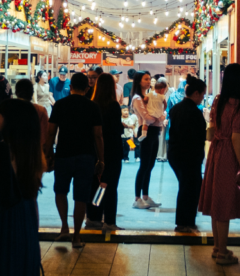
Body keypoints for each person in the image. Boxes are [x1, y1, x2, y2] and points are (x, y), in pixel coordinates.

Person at [0, 99, 43, 276]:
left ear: (9, 121)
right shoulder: (31, 154)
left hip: (0, 221)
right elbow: (34, 201)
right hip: (26, 221)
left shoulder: (0, 152)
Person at [44, 72, 103, 249]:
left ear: (70, 87)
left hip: (64, 154)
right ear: (87, 88)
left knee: (60, 191)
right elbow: (98, 135)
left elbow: (51, 132)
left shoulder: (60, 104)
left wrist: (48, 154)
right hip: (86, 155)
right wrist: (101, 159)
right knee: (81, 197)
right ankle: (76, 237)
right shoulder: (93, 107)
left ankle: (64, 227)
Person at [198, 63, 240, 266]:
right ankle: (222, 252)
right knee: (224, 203)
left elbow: (211, 131)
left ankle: (217, 247)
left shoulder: (218, 101)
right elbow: (236, 138)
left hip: (215, 151)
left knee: (216, 201)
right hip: (228, 154)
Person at [167, 75, 207, 233]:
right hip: (189, 156)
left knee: (185, 187)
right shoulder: (194, 112)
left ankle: (184, 221)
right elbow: (197, 137)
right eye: (202, 94)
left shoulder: (176, 108)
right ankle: (186, 222)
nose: (203, 98)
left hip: (175, 153)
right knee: (190, 188)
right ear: (196, 93)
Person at [85, 73, 124, 232]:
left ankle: (93, 216)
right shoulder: (113, 106)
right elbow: (116, 129)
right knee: (111, 186)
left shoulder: (92, 104)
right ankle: (109, 220)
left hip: (95, 150)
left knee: (97, 185)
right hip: (112, 150)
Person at [131, 71, 164, 210]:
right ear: (139, 81)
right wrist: (159, 118)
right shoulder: (137, 98)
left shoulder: (150, 95)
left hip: (154, 132)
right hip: (145, 132)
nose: (149, 81)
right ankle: (137, 198)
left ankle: (145, 196)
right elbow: (147, 117)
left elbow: (161, 111)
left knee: (150, 165)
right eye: (145, 79)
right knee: (144, 165)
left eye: (149, 79)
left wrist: (159, 117)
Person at [15, 79, 49, 146]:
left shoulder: (9, 109)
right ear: (32, 93)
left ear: (16, 93)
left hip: (14, 149)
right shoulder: (40, 110)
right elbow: (44, 136)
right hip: (34, 149)